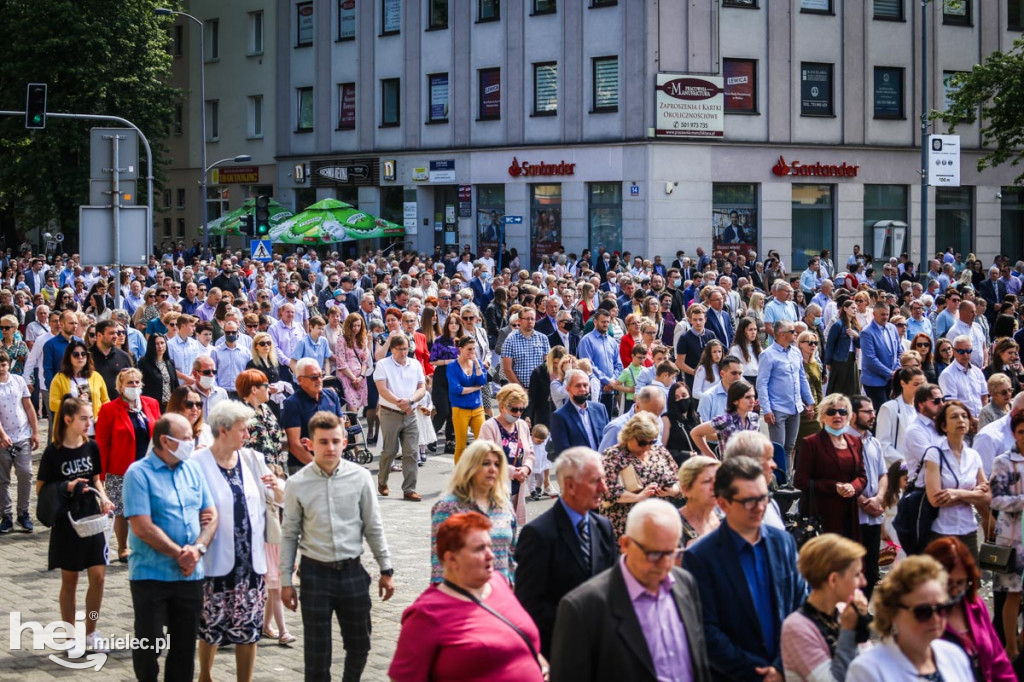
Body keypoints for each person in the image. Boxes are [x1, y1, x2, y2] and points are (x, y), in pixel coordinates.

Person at [280, 411, 395, 682]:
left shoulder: (360, 477)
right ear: (310, 444)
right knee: (317, 654)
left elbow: (373, 526)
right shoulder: (297, 484)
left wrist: (386, 568)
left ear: (345, 441)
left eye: (335, 441)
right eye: (323, 442)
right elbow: (289, 534)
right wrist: (285, 580)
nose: (330, 447)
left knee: (360, 644)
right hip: (315, 574)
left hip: (352, 572)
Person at [550, 498, 712, 682]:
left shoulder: (684, 583)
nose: (665, 564)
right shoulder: (584, 607)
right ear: (625, 544)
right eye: (654, 554)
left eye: (672, 553)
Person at [683, 456, 807, 682]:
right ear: (723, 503)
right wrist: (758, 674)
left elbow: (801, 603)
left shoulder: (783, 543)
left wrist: (780, 666)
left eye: (764, 498)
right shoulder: (700, 557)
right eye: (749, 501)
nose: (760, 507)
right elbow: (704, 630)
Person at [389, 513, 545, 682]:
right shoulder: (426, 614)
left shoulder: (499, 583)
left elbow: (525, 643)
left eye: (489, 546)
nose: (490, 555)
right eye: (479, 549)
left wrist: (542, 668)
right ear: (451, 559)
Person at [123, 412, 219, 682]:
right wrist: (180, 553)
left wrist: (197, 549)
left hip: (190, 575)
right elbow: (142, 526)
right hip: (151, 574)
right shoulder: (138, 474)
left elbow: (211, 515)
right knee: (150, 642)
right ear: (166, 441)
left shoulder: (193, 469)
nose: (193, 442)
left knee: (184, 646)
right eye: (187, 438)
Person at [193, 401, 283, 682]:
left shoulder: (252, 459)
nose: (247, 435)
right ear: (223, 430)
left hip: (250, 562)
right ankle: (205, 675)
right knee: (210, 626)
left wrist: (277, 487)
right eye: (242, 430)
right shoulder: (198, 463)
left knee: (249, 628)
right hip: (215, 559)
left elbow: (276, 498)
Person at [514, 447, 617, 658]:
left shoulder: (603, 527)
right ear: (570, 485)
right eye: (595, 481)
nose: (604, 488)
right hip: (562, 652)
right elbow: (529, 604)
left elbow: (615, 585)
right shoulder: (538, 534)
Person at [35, 396, 115, 650]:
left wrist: (103, 498)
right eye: (84, 418)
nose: (88, 422)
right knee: (69, 580)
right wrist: (66, 486)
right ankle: (70, 637)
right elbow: (41, 489)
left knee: (98, 577)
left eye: (90, 418)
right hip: (67, 521)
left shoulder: (91, 447)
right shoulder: (53, 452)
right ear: (68, 420)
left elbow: (97, 479)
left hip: (92, 517)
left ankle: (91, 631)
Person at [847, 556, 973, 680]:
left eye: (941, 609)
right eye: (923, 612)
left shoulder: (954, 655)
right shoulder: (867, 670)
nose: (935, 619)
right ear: (893, 613)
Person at [922, 536, 1016, 681]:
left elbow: (998, 659)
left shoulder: (974, 606)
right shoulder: (919, 615)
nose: (955, 591)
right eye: (948, 583)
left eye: (960, 583)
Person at [780, 534, 870, 682]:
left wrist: (861, 625)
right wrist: (848, 631)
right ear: (833, 580)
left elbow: (868, 667)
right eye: (857, 575)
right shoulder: (796, 628)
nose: (864, 582)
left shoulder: (844, 612)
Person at [429, 439, 517, 584]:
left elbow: (512, 555)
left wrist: (513, 589)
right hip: (464, 595)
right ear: (470, 467)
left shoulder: (504, 505)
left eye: (497, 464)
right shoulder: (448, 507)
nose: (492, 469)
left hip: (500, 596)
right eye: (485, 463)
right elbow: (439, 563)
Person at [96, 368, 160, 563]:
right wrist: (101, 476)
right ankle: (123, 547)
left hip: (149, 467)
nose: (134, 386)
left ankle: (147, 544)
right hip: (120, 468)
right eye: (129, 383)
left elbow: (159, 434)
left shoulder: (151, 404)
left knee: (150, 507)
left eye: (137, 382)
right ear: (120, 387)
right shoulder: (109, 409)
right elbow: (102, 443)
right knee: (121, 510)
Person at [794, 393, 867, 541]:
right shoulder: (811, 443)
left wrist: (853, 487)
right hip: (822, 514)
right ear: (822, 417)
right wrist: (834, 487)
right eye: (831, 412)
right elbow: (800, 481)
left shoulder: (855, 442)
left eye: (842, 412)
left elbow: (862, 476)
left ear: (849, 416)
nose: (837, 416)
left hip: (849, 513)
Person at [924, 400, 990, 558]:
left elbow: (987, 496)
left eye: (964, 416)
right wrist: (972, 495)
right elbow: (935, 499)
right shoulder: (934, 454)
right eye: (954, 417)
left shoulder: (973, 455)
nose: (961, 420)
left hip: (969, 530)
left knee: (973, 580)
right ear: (944, 426)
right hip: (942, 531)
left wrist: (957, 494)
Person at [600, 412, 680, 539]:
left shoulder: (659, 451)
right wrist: (639, 497)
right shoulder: (613, 455)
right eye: (642, 443)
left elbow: (678, 481)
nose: (647, 447)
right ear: (629, 436)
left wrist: (672, 490)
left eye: (651, 442)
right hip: (626, 526)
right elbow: (606, 491)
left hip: (659, 523)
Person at [373, 335, 427, 501]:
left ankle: (409, 489)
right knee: (390, 451)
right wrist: (399, 402)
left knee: (411, 451)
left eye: (406, 349)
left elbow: (422, 387)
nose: (404, 352)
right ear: (392, 349)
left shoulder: (415, 364)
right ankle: (382, 481)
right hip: (390, 413)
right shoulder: (383, 365)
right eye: (400, 349)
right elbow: (382, 390)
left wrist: (410, 400)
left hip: (411, 413)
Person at [988, 411, 1024, 660]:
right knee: (1012, 593)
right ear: (1014, 434)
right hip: (1012, 538)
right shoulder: (1003, 461)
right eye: (1022, 431)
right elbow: (997, 499)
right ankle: (1010, 647)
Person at [756, 320, 815, 471]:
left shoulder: (795, 352)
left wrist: (810, 402)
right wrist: (767, 410)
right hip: (777, 408)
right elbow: (761, 383)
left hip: (795, 407)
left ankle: (787, 481)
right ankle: (777, 481)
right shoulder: (768, 355)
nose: (795, 334)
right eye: (792, 331)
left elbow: (801, 377)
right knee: (778, 448)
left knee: (790, 447)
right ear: (781, 334)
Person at [848, 395, 889, 599]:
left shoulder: (873, 442)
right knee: (853, 570)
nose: (873, 415)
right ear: (853, 415)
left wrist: (879, 498)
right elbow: (839, 478)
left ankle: (862, 612)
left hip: (873, 515)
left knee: (871, 570)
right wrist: (864, 503)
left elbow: (883, 474)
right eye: (868, 411)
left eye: (873, 411)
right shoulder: (842, 441)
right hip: (853, 516)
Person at [479, 383, 536, 526]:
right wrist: (512, 472)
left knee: (512, 529)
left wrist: (526, 469)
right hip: (495, 487)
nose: (517, 413)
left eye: (521, 409)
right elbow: (486, 458)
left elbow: (530, 452)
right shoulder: (489, 427)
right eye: (514, 409)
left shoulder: (522, 425)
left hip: (517, 486)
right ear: (502, 406)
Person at [281, 357, 345, 476]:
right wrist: (319, 468)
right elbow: (294, 444)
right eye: (314, 377)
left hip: (331, 463)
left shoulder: (331, 395)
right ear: (300, 380)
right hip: (303, 467)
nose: (320, 380)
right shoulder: (292, 403)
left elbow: (341, 429)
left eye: (321, 375)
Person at [0, 349, 39, 534]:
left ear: (9, 364)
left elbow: (28, 406)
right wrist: (2, 435)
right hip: (2, 439)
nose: (1, 368)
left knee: (25, 474)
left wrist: (35, 432)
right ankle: (6, 516)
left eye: (4, 364)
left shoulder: (18, 381)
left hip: (22, 435)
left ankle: (23, 513)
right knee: (3, 479)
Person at [549, 368, 610, 460]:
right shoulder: (559, 416)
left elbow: (608, 440)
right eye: (578, 386)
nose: (582, 389)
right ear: (568, 389)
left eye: (585, 385)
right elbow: (563, 453)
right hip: (579, 470)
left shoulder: (600, 409)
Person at [48, 339, 109, 429]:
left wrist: (101, 417)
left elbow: (106, 401)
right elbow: (53, 404)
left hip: (93, 428)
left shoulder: (96, 376)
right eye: (76, 354)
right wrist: (75, 403)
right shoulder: (59, 378)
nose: (80, 357)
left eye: (83, 354)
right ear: (69, 357)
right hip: (70, 429)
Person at [691, 379, 760, 459]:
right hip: (730, 468)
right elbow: (695, 433)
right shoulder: (725, 420)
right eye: (747, 397)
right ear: (735, 401)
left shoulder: (754, 418)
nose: (752, 401)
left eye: (753, 396)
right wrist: (711, 456)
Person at [448, 335, 488, 462]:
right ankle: (459, 476)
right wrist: (476, 388)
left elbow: (482, 380)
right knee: (461, 445)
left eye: (474, 349)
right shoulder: (452, 366)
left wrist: (476, 363)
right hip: (460, 408)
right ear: (461, 349)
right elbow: (457, 390)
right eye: (469, 349)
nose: (472, 352)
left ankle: (480, 471)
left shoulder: (477, 362)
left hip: (477, 408)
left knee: (482, 443)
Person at [861, 302, 904, 411]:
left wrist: (897, 370)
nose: (885, 317)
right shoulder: (867, 332)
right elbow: (871, 359)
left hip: (892, 380)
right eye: (882, 315)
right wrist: (890, 373)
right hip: (874, 381)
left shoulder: (892, 328)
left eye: (887, 314)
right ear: (874, 314)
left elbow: (899, 351)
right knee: (882, 412)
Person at [938, 335, 989, 419]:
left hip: (981, 420)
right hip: (962, 422)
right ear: (954, 352)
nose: (965, 354)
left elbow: (984, 397)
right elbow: (952, 404)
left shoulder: (977, 372)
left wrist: (982, 418)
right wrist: (971, 420)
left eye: (969, 351)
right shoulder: (947, 374)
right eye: (961, 351)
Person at [677, 455, 722, 548]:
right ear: (686, 490)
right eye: (707, 481)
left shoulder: (726, 515)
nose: (715, 487)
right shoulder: (674, 526)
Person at [335, 313, 371, 419]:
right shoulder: (342, 339)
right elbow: (341, 362)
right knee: (352, 410)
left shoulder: (362, 339)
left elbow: (365, 360)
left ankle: (354, 434)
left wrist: (361, 377)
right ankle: (353, 434)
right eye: (354, 325)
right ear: (349, 326)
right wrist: (354, 379)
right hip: (347, 377)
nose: (356, 328)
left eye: (358, 325)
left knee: (357, 409)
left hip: (361, 377)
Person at [138, 333, 180, 412]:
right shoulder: (143, 363)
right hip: (152, 407)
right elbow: (141, 386)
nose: (160, 346)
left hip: (169, 406)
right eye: (156, 344)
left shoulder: (169, 362)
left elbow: (175, 385)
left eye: (162, 343)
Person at [663, 381, 699, 464]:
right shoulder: (667, 419)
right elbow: (663, 450)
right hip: (679, 466)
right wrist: (685, 455)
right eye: (676, 397)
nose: (681, 399)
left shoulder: (696, 417)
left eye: (684, 395)